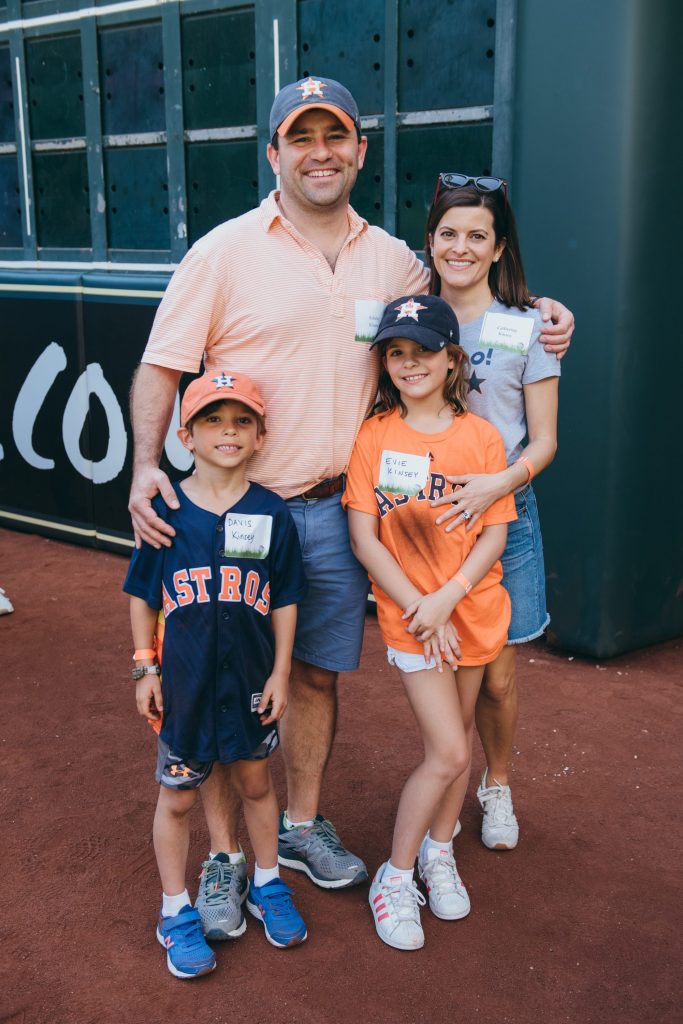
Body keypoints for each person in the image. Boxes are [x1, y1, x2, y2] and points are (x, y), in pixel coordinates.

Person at [127, 75, 575, 921]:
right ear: (274, 152)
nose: (320, 152)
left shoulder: (392, 259)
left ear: (360, 151)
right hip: (241, 508)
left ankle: (298, 822)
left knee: (317, 679)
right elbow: (161, 363)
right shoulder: (223, 250)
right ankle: (226, 857)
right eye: (302, 137)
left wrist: (542, 310)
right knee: (226, 674)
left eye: (336, 136)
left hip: (339, 509)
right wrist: (147, 465)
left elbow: (462, 306)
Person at [344, 294, 516, 949]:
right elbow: (366, 540)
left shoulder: (480, 436)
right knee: (445, 750)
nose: (409, 363)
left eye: (423, 351)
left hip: (471, 609)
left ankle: (438, 853)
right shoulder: (375, 434)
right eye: (396, 353)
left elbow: (493, 536)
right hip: (410, 619)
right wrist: (423, 609)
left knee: (463, 740)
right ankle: (393, 876)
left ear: (451, 360)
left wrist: (449, 596)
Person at [123, 372, 308, 978]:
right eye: (212, 421)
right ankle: (175, 909)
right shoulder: (166, 508)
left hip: (251, 680)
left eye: (241, 422)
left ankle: (268, 883)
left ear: (260, 436)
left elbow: (283, 598)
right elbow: (142, 595)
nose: (228, 432)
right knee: (177, 796)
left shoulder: (271, 512)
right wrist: (142, 667)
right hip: (184, 682)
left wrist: (282, 671)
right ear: (186, 435)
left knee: (256, 782)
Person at [425, 173, 560, 850]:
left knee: (498, 678)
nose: (461, 247)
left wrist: (494, 486)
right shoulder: (412, 319)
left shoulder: (527, 326)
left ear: (498, 246)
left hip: (505, 516)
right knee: (441, 674)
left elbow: (544, 442)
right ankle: (444, 782)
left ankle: (495, 783)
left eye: (476, 235)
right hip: (430, 521)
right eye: (448, 233)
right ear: (430, 241)